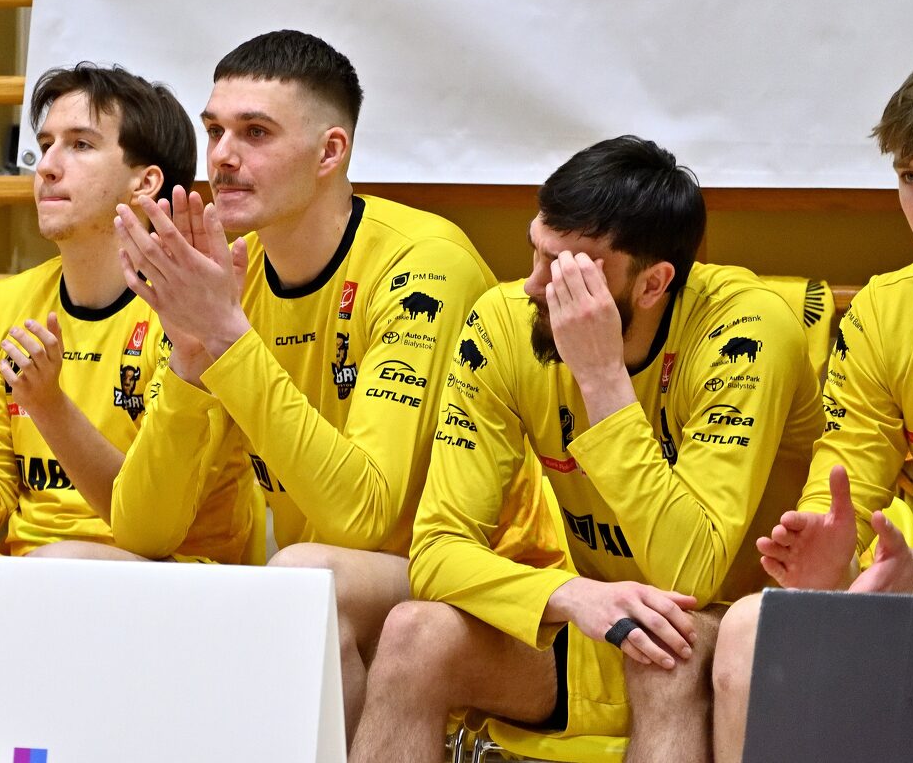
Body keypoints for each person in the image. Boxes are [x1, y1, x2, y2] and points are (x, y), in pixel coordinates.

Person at [350, 136, 822, 763]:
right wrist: (572, 595)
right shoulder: (504, 323)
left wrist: (603, 382)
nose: (533, 286)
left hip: (734, 628)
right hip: (601, 617)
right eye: (536, 251)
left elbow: (690, 575)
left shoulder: (747, 329)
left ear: (653, 284)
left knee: (665, 655)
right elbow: (437, 549)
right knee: (414, 634)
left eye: (567, 271)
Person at [112, 29, 504, 729]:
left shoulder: (423, 264)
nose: (222, 156)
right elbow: (143, 529)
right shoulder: (231, 277)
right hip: (333, 581)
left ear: (330, 152)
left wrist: (229, 339)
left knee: (304, 580)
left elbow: (365, 518)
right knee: (86, 565)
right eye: (215, 130)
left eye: (255, 132)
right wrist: (191, 360)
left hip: (474, 577)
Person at [0, 64, 257, 562]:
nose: (47, 166)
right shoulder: (5, 304)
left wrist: (50, 407)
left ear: (144, 183)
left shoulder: (197, 309)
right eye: (46, 144)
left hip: (180, 576)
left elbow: (152, 531)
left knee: (58, 562)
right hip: (35, 577)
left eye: (80, 145)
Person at [713, 60, 913, 763]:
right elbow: (847, 480)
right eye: (911, 178)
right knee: (751, 628)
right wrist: (827, 548)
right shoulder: (888, 312)